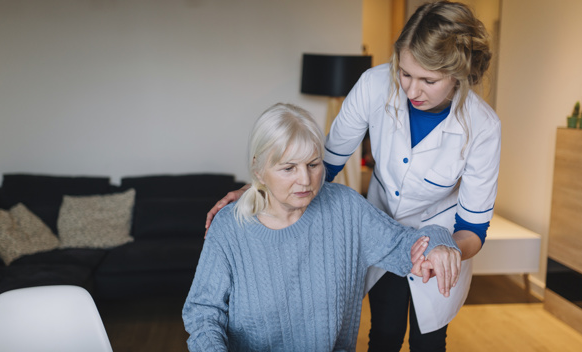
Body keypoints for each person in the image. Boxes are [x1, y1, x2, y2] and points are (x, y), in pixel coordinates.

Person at [204, 2, 500, 351]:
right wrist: (261, 190)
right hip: (380, 226)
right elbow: (324, 165)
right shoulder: (374, 85)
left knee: (430, 343)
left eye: (429, 80)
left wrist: (445, 250)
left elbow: (474, 228)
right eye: (405, 73)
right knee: (385, 334)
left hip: (443, 240)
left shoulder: (482, 126)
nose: (412, 90)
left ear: (459, 74)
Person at [184, 103, 462, 352]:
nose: (306, 180)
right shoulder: (229, 227)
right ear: (258, 171)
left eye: (313, 164)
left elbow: (405, 244)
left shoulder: (345, 208)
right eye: (289, 168)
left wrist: (439, 241)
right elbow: (203, 312)